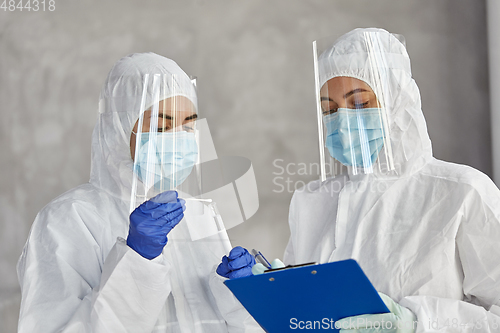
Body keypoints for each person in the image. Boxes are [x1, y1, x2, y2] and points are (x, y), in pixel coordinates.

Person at [219, 28, 500, 332]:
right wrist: (267, 293)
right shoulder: (311, 202)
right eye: (329, 109)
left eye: (360, 103)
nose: (342, 120)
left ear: (398, 100)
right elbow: (302, 322)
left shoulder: (462, 192)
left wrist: (418, 323)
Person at [17, 52, 261, 332]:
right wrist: (136, 261)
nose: (179, 138)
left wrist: (239, 295)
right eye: (162, 125)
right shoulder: (68, 220)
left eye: (188, 125)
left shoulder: (197, 213)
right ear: (120, 127)